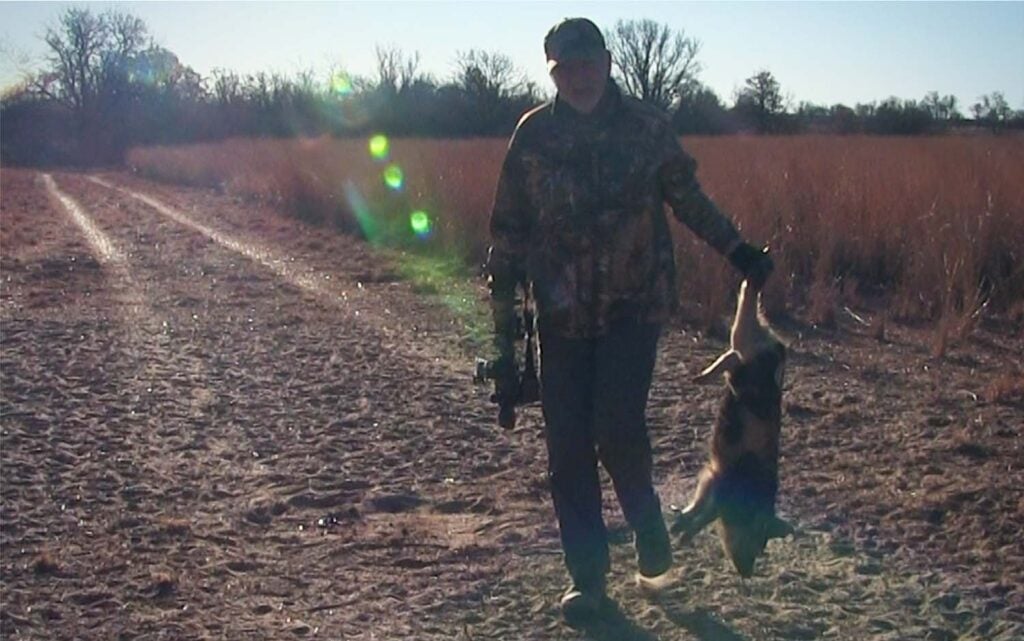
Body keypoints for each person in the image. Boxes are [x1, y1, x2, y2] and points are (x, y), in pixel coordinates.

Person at [485, 17, 773, 621]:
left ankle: (650, 535)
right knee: (566, 450)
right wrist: (504, 335)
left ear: (609, 63)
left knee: (616, 427)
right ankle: (587, 581)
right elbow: (507, 236)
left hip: (633, 308)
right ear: (553, 72)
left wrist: (737, 249)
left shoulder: (646, 129)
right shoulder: (532, 137)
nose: (580, 75)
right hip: (559, 317)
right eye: (566, 66)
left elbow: (688, 199)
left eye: (589, 63)